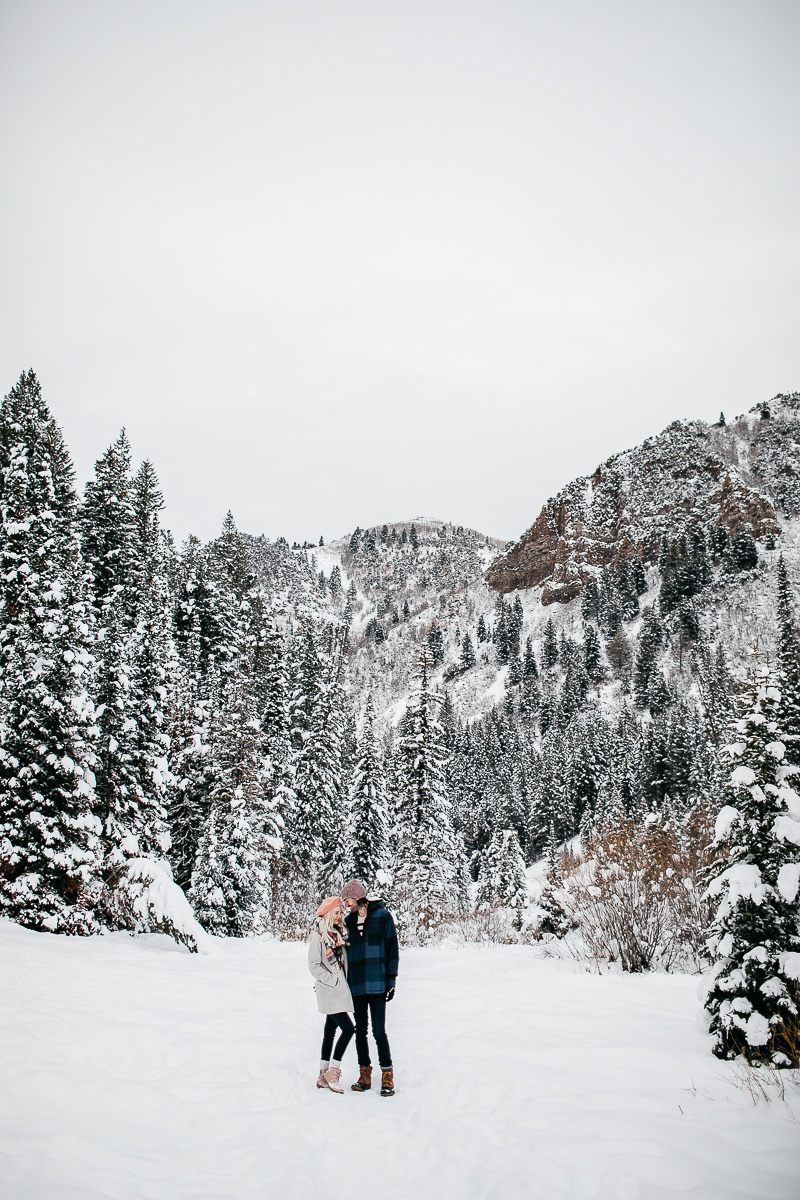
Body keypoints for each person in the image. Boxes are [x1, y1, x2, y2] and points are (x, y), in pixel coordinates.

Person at [340, 878, 399, 1097]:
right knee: (360, 1032)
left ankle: (387, 1074)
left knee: (378, 1031)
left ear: (357, 897)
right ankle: (364, 1073)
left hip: (377, 983)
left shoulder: (382, 917)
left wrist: (391, 981)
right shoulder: (348, 921)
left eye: (347, 900)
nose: (346, 904)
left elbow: (392, 950)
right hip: (356, 984)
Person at [307, 896, 354, 1093]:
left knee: (330, 1030)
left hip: (338, 990)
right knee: (349, 1029)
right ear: (327, 914)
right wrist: (332, 980)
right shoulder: (318, 936)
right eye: (336, 913)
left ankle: (322, 1074)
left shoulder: (339, 934)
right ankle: (333, 1072)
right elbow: (314, 965)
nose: (339, 916)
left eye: (340, 913)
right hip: (329, 990)